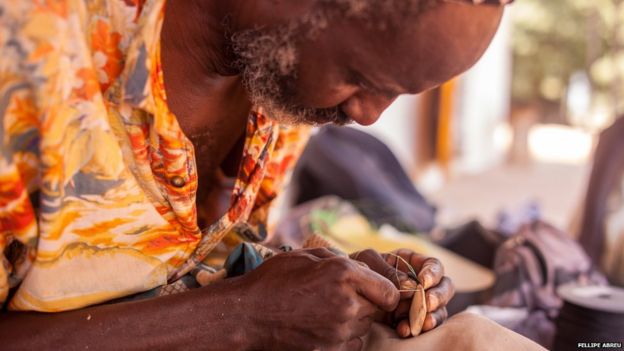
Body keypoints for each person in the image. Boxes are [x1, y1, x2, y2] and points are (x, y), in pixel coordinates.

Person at [0, 0, 543, 350]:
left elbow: (192, 269)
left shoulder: (277, 82)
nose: (367, 116)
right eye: (360, 77)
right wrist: (241, 314)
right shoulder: (29, 54)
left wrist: (321, 281)